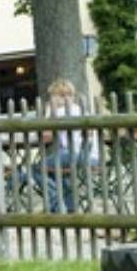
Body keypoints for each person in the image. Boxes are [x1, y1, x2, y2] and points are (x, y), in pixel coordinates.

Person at [32, 78, 100, 213]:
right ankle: (70, 207)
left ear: (60, 96)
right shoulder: (79, 109)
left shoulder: (61, 112)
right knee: (58, 171)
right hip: (92, 157)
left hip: (75, 155)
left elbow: (46, 137)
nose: (50, 99)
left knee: (38, 169)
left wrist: (48, 112)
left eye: (52, 96)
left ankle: (57, 206)